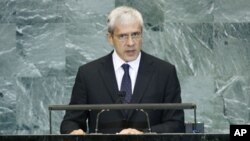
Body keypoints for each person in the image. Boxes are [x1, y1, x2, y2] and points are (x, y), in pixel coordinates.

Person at [60, 6, 185, 135]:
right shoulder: (89, 74)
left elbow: (176, 123)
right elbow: (70, 122)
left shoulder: (164, 72)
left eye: (135, 34)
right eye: (123, 36)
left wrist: (145, 134)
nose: (131, 43)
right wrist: (74, 132)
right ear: (110, 37)